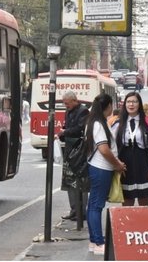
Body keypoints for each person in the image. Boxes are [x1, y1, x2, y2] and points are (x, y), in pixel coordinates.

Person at [85, 93, 126, 255]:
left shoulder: (93, 122)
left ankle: (93, 240)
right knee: (96, 205)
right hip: (101, 168)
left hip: (98, 167)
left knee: (93, 205)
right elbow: (104, 149)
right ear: (108, 106)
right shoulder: (98, 124)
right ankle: (98, 242)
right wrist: (118, 165)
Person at [115, 91, 148, 206]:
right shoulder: (118, 123)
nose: (131, 104)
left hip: (143, 163)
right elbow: (112, 146)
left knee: (144, 199)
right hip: (125, 164)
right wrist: (115, 163)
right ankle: (128, 223)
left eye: (134, 102)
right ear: (124, 104)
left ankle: (145, 223)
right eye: (129, 102)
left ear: (139, 104)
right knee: (127, 200)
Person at [58, 91, 89, 221]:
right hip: (69, 150)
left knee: (80, 182)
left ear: (74, 100)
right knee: (70, 182)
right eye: (65, 104)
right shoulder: (68, 111)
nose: (66, 106)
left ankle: (81, 212)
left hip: (79, 151)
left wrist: (65, 131)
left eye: (67, 103)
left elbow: (80, 128)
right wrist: (63, 132)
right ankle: (74, 210)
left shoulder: (83, 111)